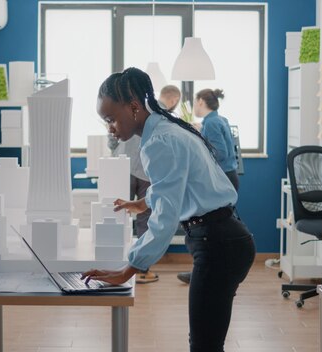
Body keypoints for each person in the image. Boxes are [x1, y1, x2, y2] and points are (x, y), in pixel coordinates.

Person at [82, 68, 256, 352]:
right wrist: (141, 203)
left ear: (134, 108)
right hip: (226, 238)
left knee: (204, 345)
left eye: (111, 119)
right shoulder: (165, 129)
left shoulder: (158, 142)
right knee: (207, 343)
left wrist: (129, 269)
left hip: (218, 244)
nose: (110, 128)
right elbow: (175, 184)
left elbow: (164, 219)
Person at [106, 84, 182, 284]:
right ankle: (141, 269)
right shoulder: (163, 119)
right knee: (144, 220)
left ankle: (123, 263)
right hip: (144, 173)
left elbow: (112, 137)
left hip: (124, 165)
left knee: (119, 213)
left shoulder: (149, 122)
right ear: (174, 100)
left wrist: (127, 271)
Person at [177, 88, 240, 284]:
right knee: (220, 228)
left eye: (195, 102)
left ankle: (205, 270)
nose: (194, 106)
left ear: (202, 101)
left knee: (210, 229)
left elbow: (218, 152)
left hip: (221, 178)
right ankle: (211, 269)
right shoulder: (219, 120)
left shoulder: (211, 123)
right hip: (230, 175)